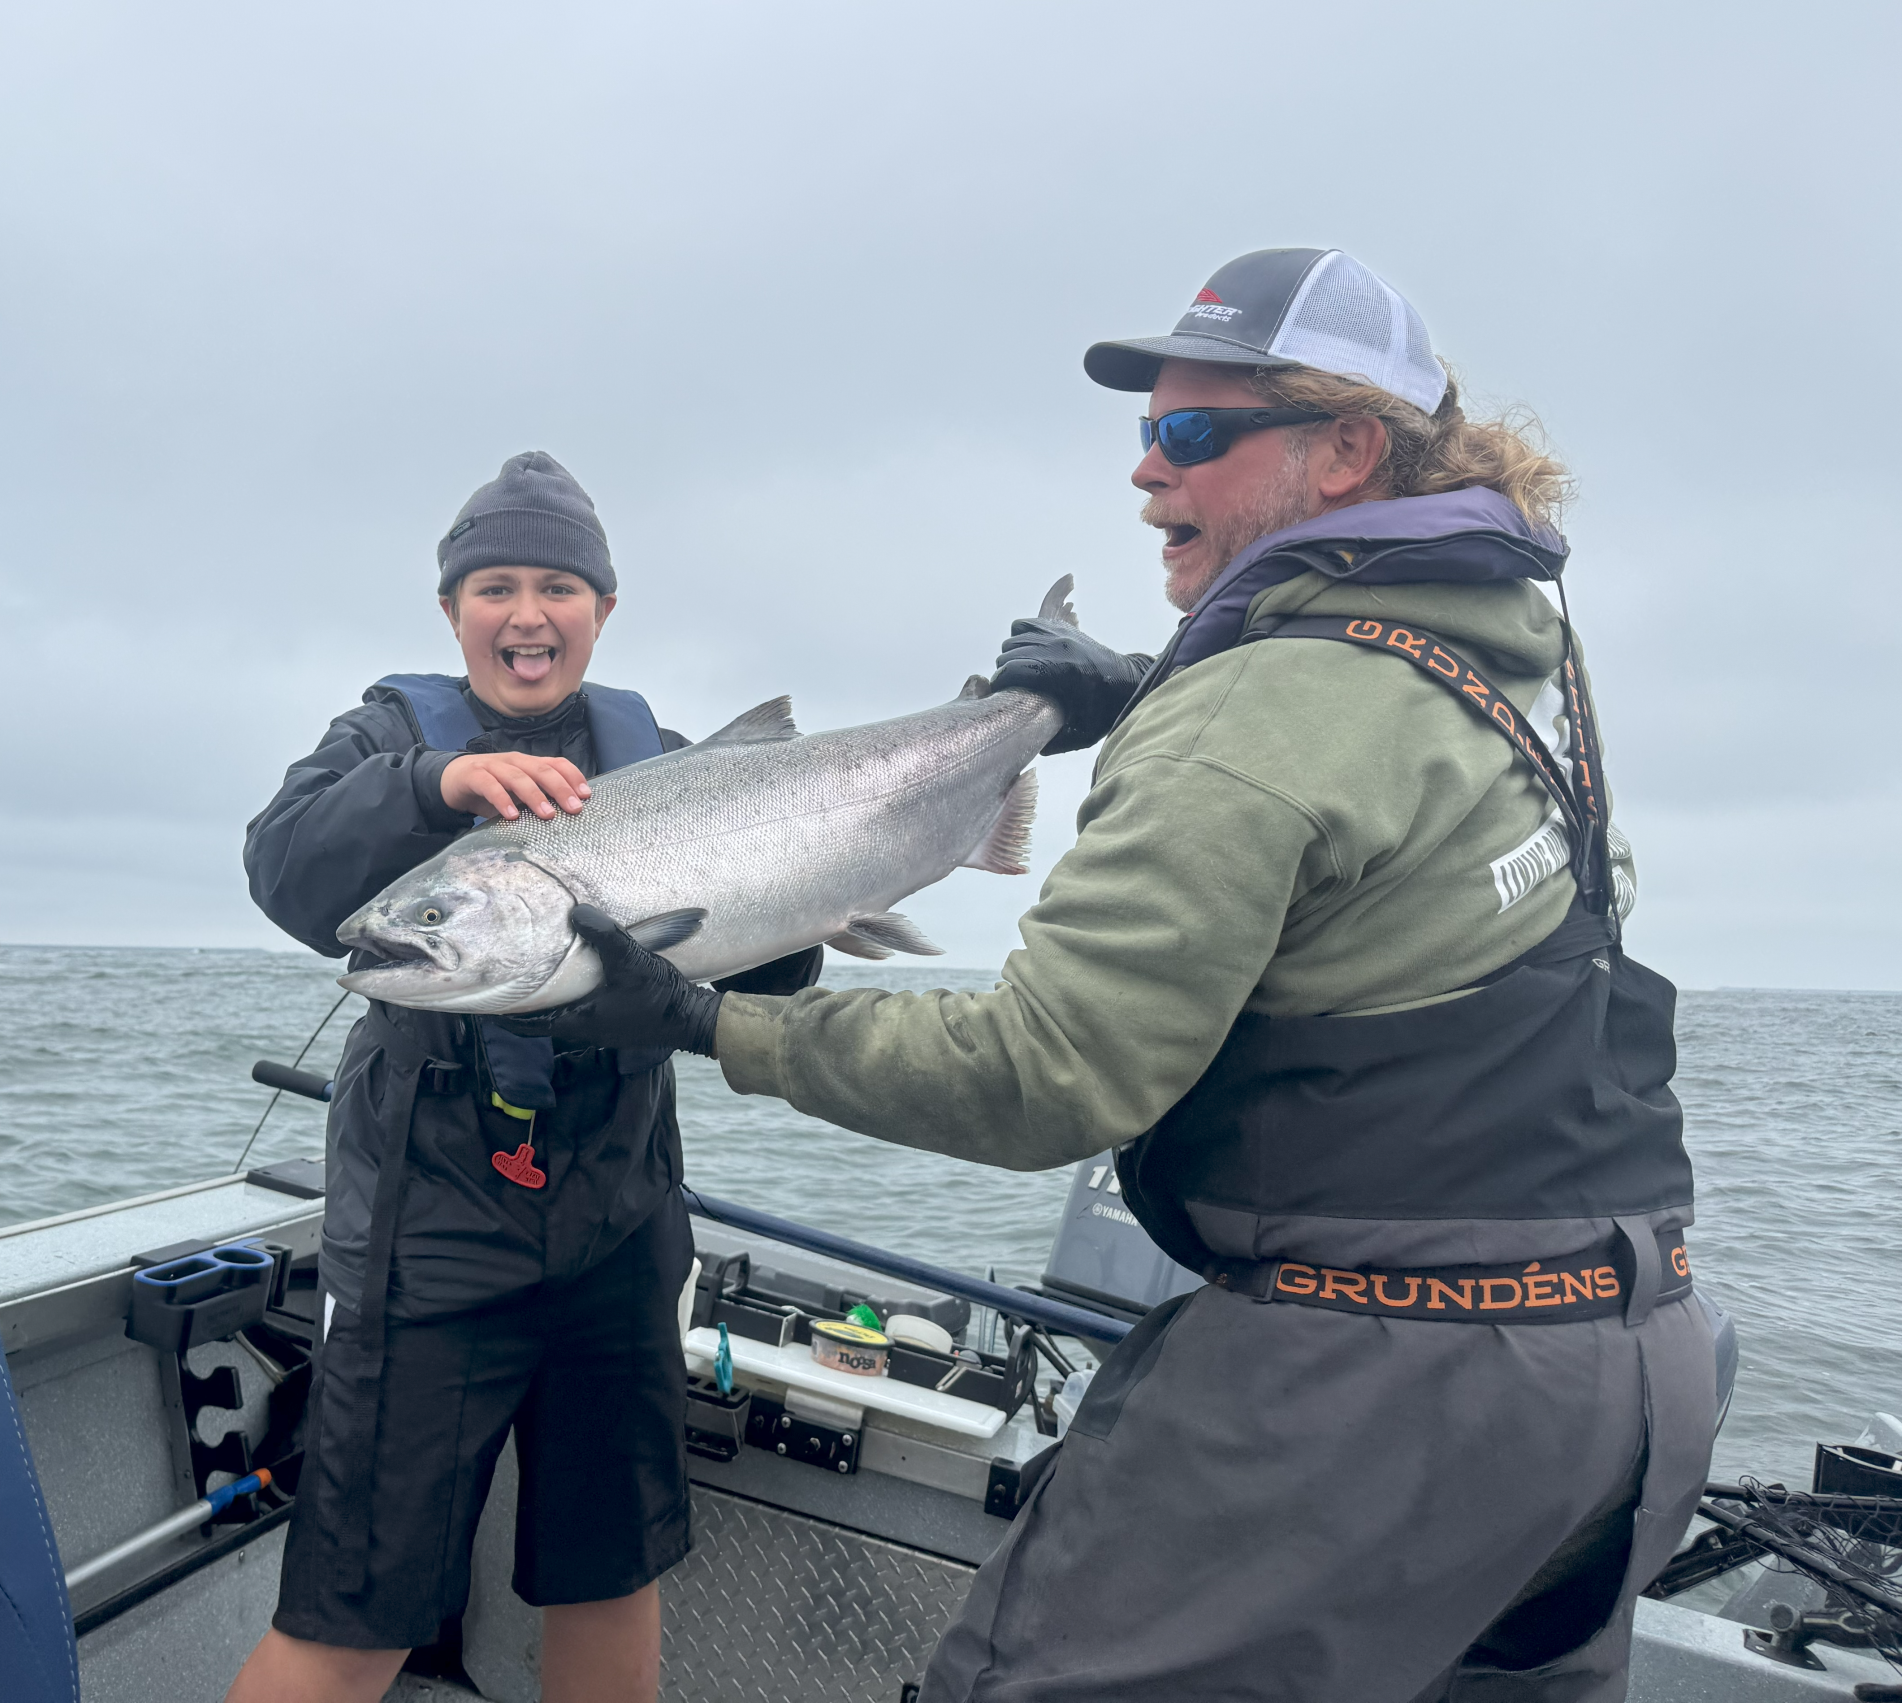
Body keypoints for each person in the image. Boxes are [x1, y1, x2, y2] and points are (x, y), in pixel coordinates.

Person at [528, 251, 1710, 1700]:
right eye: (1145, 433)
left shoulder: (1255, 712)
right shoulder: (1520, 666)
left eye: (1195, 436)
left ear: (1348, 452)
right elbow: (1394, 839)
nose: (1148, 473)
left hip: (1379, 1381)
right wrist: (1148, 689)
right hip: (1631, 1382)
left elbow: (1046, 1079)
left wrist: (712, 1021)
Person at [231, 451, 820, 1703]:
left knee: (610, 1577)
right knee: (356, 1607)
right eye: (493, 586)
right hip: (427, 1239)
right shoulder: (388, 734)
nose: (526, 613)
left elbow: (769, 977)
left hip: (618, 1227)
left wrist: (821, 888)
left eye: (558, 585)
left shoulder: (657, 751)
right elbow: (285, 871)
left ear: (602, 610)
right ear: (452, 613)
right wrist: (429, 787)